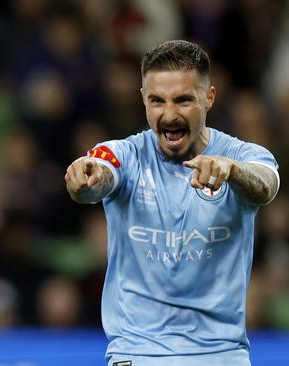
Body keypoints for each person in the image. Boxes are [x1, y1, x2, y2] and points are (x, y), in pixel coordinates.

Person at [64, 40, 279, 366]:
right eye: (157, 101)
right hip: (137, 352)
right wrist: (86, 179)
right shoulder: (127, 154)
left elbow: (266, 186)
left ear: (209, 98)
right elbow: (101, 172)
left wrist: (233, 173)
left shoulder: (240, 156)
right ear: (143, 100)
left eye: (183, 100)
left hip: (221, 354)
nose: (169, 114)